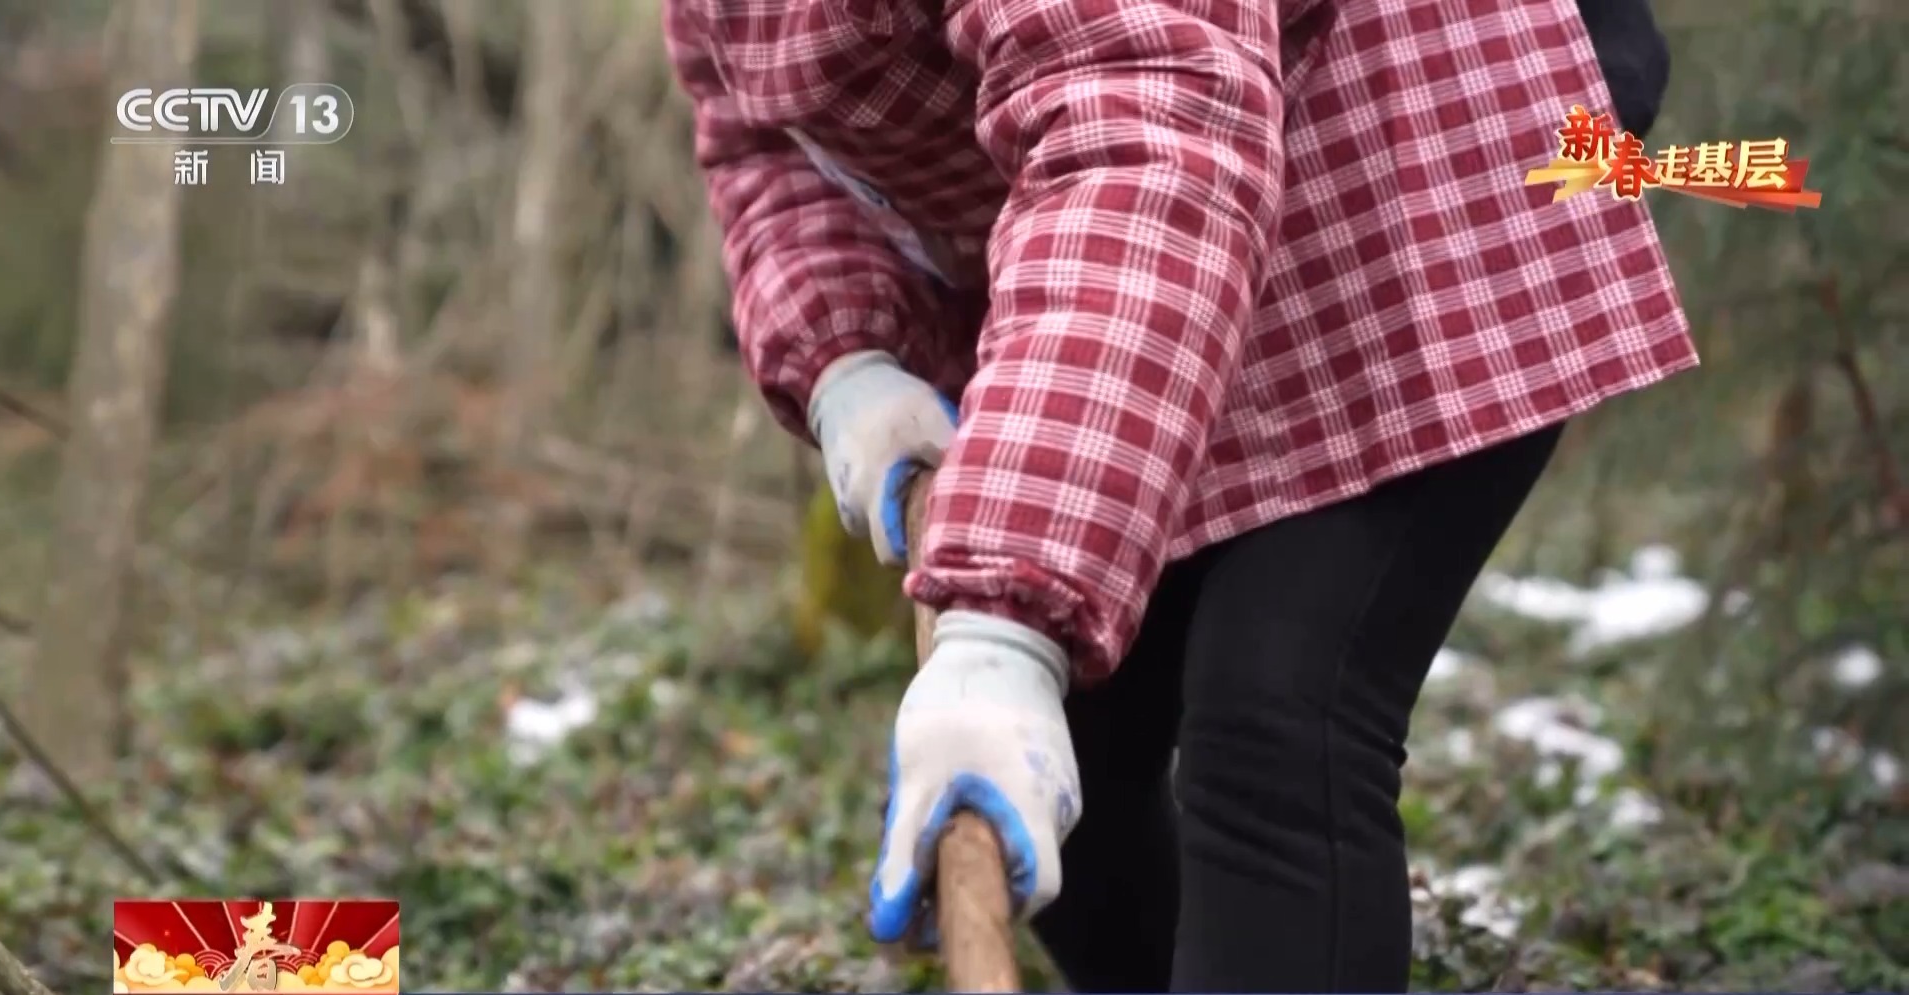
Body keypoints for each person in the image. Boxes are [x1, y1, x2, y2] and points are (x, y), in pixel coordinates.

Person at [664, 0, 1691, 989]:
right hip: (1126, 254)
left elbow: (1139, 118)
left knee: (1279, 715)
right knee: (1079, 762)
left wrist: (1002, 622)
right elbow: (756, 133)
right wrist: (849, 359)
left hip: (1401, 166)